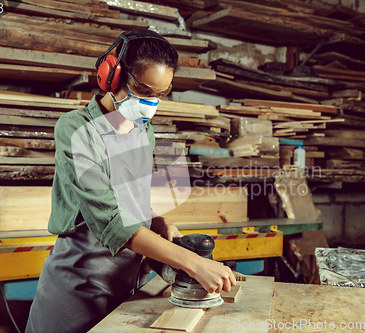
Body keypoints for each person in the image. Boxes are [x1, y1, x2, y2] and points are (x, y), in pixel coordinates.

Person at [25, 29, 236, 333]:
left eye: (160, 95)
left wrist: (156, 221)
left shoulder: (142, 132)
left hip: (127, 282)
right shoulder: (76, 129)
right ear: (112, 76)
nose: (151, 104)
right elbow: (111, 219)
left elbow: (129, 199)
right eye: (143, 90)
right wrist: (194, 264)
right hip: (78, 285)